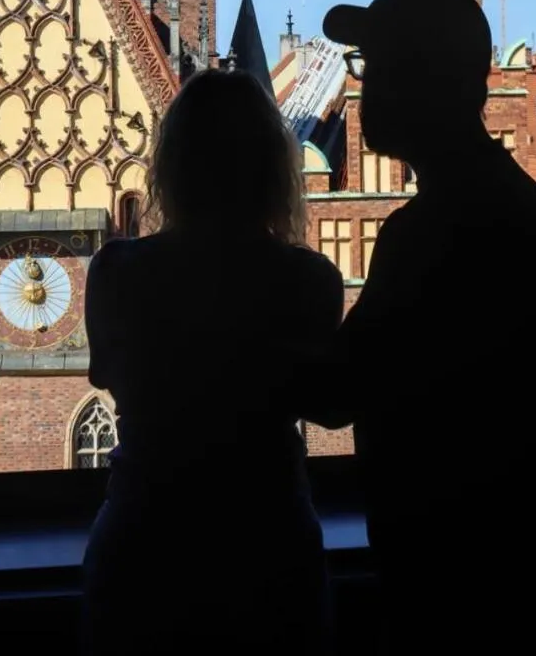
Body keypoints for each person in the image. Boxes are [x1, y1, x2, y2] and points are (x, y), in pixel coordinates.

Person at [304, 0, 536, 649]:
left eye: (376, 67)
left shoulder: (430, 229)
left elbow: (333, 393)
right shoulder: (515, 202)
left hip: (453, 589)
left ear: (417, 80)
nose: (364, 88)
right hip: (513, 578)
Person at [78, 69, 343, 656]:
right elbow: (329, 405)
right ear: (273, 172)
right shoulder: (308, 280)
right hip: (267, 544)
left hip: (144, 540)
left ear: (171, 167)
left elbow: (106, 374)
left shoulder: (117, 272)